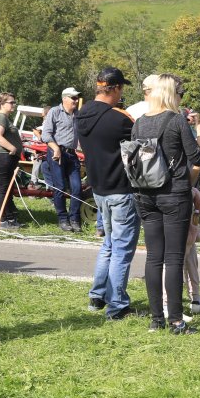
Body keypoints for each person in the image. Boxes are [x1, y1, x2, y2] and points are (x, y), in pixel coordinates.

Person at [131, 74, 200, 334]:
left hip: (145, 195)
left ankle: (156, 319)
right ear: (170, 93)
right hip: (174, 194)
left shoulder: (139, 122)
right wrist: (199, 132)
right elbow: (196, 157)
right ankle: (175, 320)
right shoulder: (176, 120)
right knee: (173, 258)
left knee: (153, 257)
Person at [77, 67, 139, 320]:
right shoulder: (119, 119)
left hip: (99, 189)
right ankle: (117, 306)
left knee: (109, 245)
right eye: (121, 89)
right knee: (121, 249)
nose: (122, 94)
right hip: (121, 190)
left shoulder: (81, 114)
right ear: (115, 88)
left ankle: (97, 296)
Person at [41, 86, 84, 230]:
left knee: (77, 187)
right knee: (59, 187)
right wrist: (56, 148)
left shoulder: (78, 114)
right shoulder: (54, 111)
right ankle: (63, 219)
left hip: (72, 154)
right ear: (64, 98)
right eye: (73, 98)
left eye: (77, 98)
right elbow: (46, 134)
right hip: (56, 153)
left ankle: (75, 219)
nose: (76, 100)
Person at [0, 92, 23, 228]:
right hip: (3, 156)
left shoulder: (4, 117)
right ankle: (2, 221)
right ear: (2, 104)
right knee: (2, 189)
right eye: (11, 102)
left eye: (14, 102)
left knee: (6, 189)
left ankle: (10, 219)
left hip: (6, 157)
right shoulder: (1, 117)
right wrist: (12, 148)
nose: (14, 104)